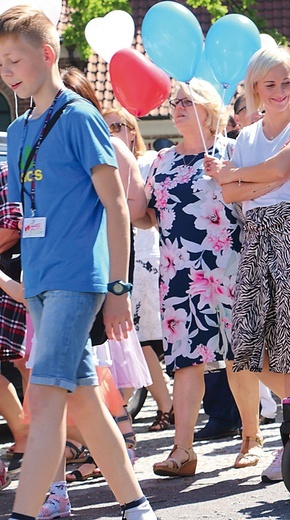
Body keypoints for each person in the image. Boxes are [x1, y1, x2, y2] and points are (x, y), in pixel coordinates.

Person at [0, 6, 156, 519]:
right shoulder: (19, 132)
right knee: (85, 400)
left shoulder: (80, 117)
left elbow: (115, 206)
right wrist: (22, 284)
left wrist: (117, 289)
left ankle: (23, 513)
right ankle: (137, 506)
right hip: (42, 279)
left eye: (14, 59)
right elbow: (32, 214)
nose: (6, 69)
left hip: (78, 279)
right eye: (0, 61)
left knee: (44, 401)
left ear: (46, 56)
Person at [204, 47, 290, 483]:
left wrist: (238, 176)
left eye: (285, 81)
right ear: (255, 88)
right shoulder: (246, 138)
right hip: (256, 236)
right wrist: (253, 179)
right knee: (248, 345)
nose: (279, 91)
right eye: (270, 84)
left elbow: (283, 167)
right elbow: (232, 195)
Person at [136, 78, 243, 478]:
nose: (177, 107)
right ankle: (183, 450)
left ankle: (253, 436)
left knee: (241, 356)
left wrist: (228, 176)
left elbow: (250, 199)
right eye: (175, 102)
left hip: (230, 267)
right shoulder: (161, 160)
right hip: (179, 271)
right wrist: (128, 192)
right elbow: (147, 217)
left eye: (187, 102)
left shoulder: (229, 151)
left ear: (209, 110)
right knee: (186, 360)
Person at [102, 106, 175, 432]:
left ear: (133, 131)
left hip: (146, 260)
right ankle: (160, 406)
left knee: (140, 342)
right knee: (135, 343)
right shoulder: (103, 164)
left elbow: (146, 211)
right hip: (120, 259)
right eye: (108, 126)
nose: (114, 130)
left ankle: (137, 410)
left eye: (120, 125)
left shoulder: (145, 163)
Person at [0, 161, 27, 476]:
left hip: (13, 278)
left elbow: (11, 228)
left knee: (25, 361)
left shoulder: (5, 172)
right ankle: (24, 434)